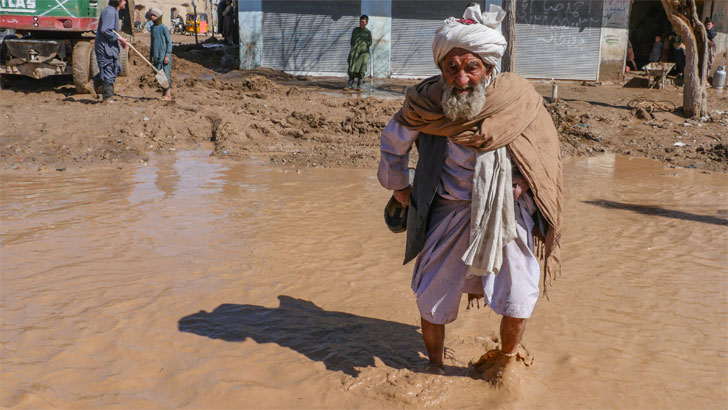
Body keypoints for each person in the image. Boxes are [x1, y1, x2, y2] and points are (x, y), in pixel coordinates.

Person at [378, 3, 562, 382]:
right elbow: (392, 144)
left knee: (519, 292)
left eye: (471, 68)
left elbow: (546, 152)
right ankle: (434, 367)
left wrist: (526, 183)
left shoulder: (519, 99)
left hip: (507, 208)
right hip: (449, 207)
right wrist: (399, 188)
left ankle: (506, 361)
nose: (461, 78)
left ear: (489, 67)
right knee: (431, 295)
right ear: (441, 68)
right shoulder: (426, 103)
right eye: (452, 68)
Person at [91, 0, 130, 101]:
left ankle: (93, 83)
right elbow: (105, 30)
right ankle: (108, 98)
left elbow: (112, 31)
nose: (125, 2)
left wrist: (120, 40)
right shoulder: (110, 12)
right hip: (105, 46)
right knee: (109, 70)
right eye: (124, 0)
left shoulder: (113, 11)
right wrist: (120, 39)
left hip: (109, 45)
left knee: (115, 68)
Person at [149, 8, 172, 100]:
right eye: (152, 15)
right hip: (156, 56)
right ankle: (164, 94)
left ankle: (168, 95)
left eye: (154, 16)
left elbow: (169, 42)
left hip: (164, 56)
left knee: (165, 75)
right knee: (159, 75)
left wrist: (167, 55)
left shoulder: (163, 28)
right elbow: (152, 42)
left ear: (159, 17)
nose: (153, 17)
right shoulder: (152, 28)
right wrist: (151, 56)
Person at [347, 15, 372, 90]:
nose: (361, 23)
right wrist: (354, 49)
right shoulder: (355, 30)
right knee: (352, 67)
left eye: (363, 22)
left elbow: (370, 43)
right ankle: (350, 85)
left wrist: (363, 47)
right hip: (355, 52)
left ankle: (359, 86)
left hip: (364, 53)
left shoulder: (368, 32)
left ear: (366, 23)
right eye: (360, 21)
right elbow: (352, 41)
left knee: (362, 69)